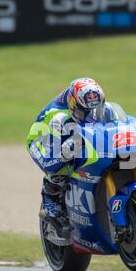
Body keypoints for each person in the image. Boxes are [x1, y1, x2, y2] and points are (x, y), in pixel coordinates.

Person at [27, 78, 106, 233]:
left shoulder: (93, 102)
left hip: (67, 130)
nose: (91, 116)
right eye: (85, 113)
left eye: (95, 111)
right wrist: (67, 150)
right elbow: (55, 157)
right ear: (73, 105)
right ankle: (51, 204)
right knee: (60, 163)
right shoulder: (59, 117)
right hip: (43, 138)